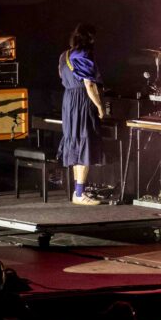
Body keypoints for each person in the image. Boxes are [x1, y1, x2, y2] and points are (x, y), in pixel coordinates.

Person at [58, 23, 107, 205]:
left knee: (75, 143)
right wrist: (100, 106)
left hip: (68, 100)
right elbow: (89, 84)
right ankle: (79, 194)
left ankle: (78, 192)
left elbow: (62, 76)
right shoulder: (84, 55)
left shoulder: (64, 55)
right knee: (85, 142)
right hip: (82, 101)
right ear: (89, 38)